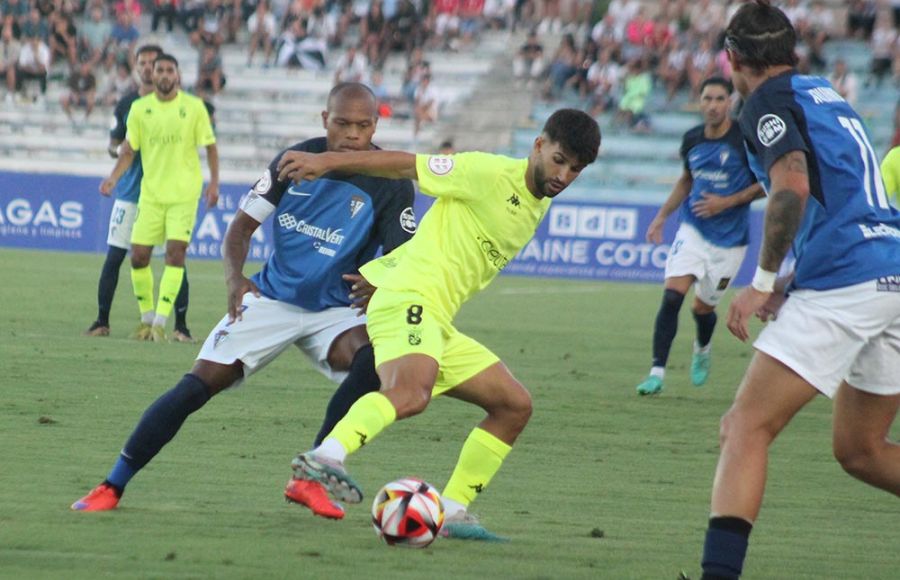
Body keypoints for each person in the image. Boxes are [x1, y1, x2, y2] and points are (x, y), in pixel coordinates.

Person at [71, 83, 417, 519]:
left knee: (378, 358)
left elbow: (405, 255)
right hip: (272, 298)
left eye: (363, 126)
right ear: (323, 119)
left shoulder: (390, 182)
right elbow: (239, 230)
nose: (352, 134)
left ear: (375, 125)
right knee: (196, 386)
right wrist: (235, 280)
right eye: (342, 123)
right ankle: (112, 484)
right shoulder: (293, 163)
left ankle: (312, 472)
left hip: (336, 310)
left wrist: (380, 283)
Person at [276, 108, 600, 540]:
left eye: (576, 169)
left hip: (435, 318)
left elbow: (439, 238)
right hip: (411, 301)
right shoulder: (486, 172)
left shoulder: (536, 203)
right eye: (559, 160)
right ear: (538, 146)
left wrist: (385, 270)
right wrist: (326, 161)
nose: (564, 175)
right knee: (410, 393)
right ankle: (326, 456)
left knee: (513, 405)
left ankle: (452, 510)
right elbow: (404, 164)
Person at [698, 3, 900, 579]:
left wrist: (760, 284)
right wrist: (791, 281)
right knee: (862, 450)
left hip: (849, 278)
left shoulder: (764, 103)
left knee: (744, 427)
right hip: (891, 272)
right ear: (791, 52)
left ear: (733, 58)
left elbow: (790, 186)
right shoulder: (829, 96)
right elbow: (842, 197)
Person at [636, 77, 763, 396]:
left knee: (702, 310)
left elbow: (766, 182)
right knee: (672, 296)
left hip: (730, 241)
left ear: (729, 103)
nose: (713, 105)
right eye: (707, 98)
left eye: (720, 99)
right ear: (700, 101)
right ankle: (656, 373)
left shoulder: (744, 139)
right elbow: (686, 180)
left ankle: (702, 350)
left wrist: (727, 201)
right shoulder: (692, 139)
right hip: (693, 229)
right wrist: (662, 216)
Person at [99, 53, 218, 342]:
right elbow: (128, 149)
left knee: (176, 255)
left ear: (177, 75)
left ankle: (161, 323)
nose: (164, 75)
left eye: (169, 70)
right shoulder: (140, 109)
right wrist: (113, 178)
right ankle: (147, 318)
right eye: (159, 70)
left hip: (183, 195)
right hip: (150, 196)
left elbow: (210, 146)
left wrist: (214, 183)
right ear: (152, 74)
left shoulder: (194, 107)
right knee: (138, 257)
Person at [84, 45, 194, 341]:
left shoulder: (180, 106)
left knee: (175, 259)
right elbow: (113, 145)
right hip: (132, 192)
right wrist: (119, 151)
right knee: (116, 256)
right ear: (136, 68)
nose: (147, 68)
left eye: (152, 63)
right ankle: (102, 321)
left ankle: (180, 327)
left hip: (166, 195)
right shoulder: (127, 105)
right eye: (142, 63)